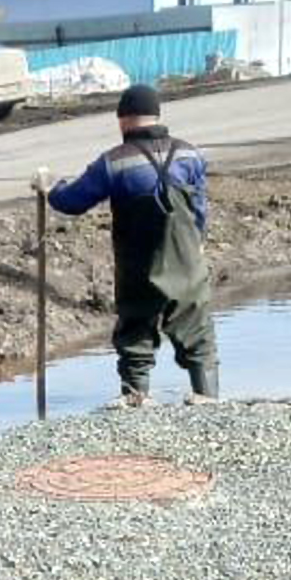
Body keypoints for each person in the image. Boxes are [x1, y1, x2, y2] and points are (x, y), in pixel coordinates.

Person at [39, 84, 217, 404]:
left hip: (139, 269)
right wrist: (198, 244)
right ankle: (209, 401)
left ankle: (137, 403)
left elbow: (72, 202)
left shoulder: (114, 162)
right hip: (189, 263)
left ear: (122, 120)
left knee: (135, 336)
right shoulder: (191, 154)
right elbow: (200, 209)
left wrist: (50, 187)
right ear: (157, 116)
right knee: (198, 335)